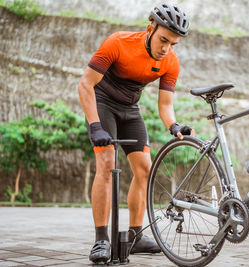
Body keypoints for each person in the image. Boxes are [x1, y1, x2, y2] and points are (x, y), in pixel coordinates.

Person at [78, 3, 194, 264]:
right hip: (102, 102)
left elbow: (165, 104)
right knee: (107, 165)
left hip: (130, 108)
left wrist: (174, 126)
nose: (166, 48)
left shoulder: (170, 61)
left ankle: (134, 236)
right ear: (150, 27)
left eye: (173, 44)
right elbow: (85, 84)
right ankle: (101, 240)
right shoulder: (117, 43)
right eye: (163, 39)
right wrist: (95, 125)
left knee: (145, 169)